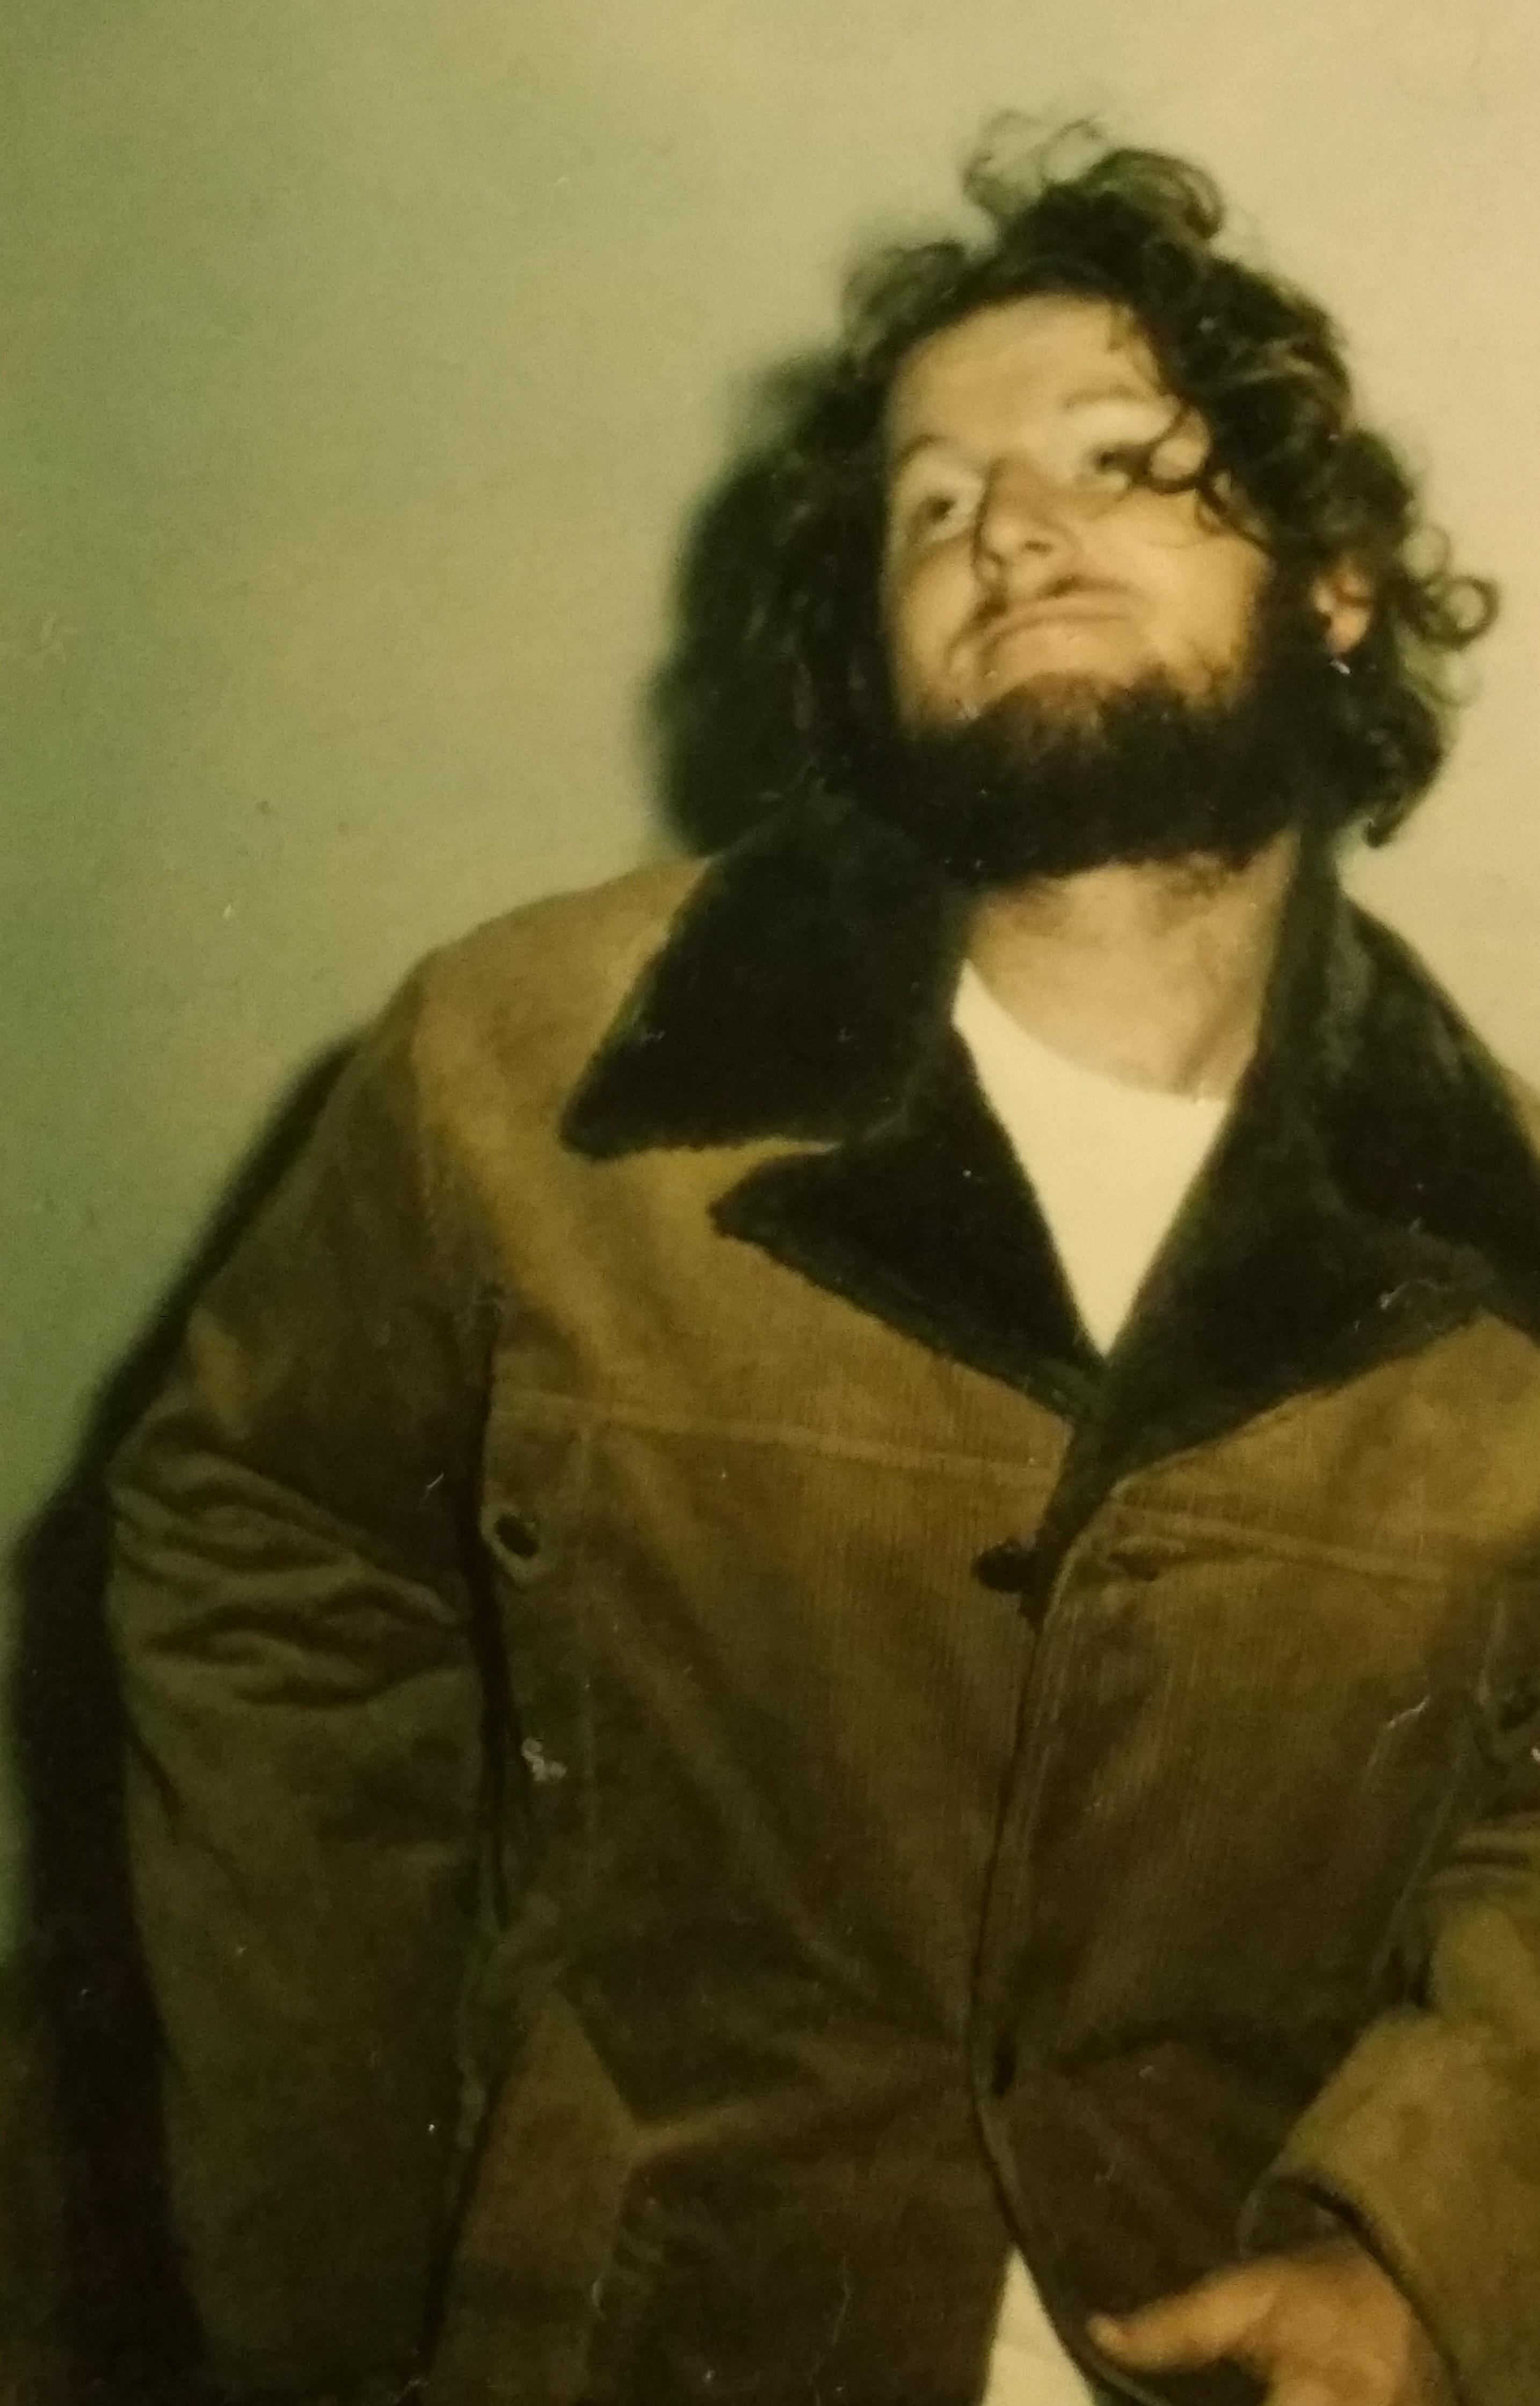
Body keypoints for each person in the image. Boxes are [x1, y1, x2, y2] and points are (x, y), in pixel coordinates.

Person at [106, 124, 1540, 2406]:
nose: (1008, 532)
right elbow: (263, 1572)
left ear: (1339, 584)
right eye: (932, 507)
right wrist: (339, 2273)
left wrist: (1425, 2251)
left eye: (1119, 460)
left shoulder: (1509, 1247)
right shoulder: (524, 1071)